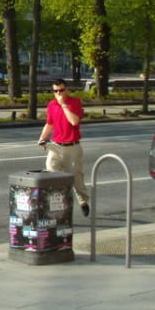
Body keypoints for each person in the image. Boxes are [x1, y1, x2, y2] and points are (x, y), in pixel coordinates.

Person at [37, 78, 90, 217]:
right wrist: (42, 138)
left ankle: (83, 201)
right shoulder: (52, 105)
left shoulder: (74, 102)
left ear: (67, 90)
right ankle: (57, 204)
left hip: (72, 147)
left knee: (76, 178)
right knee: (52, 174)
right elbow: (50, 123)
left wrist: (63, 105)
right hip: (55, 146)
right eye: (55, 91)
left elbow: (74, 121)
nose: (58, 93)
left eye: (61, 90)